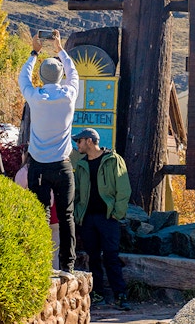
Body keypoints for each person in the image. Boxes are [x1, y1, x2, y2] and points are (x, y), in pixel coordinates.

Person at [18, 29, 79, 278]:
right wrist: (60, 48)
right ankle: (67, 267)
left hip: (39, 166)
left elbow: (23, 77)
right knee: (66, 217)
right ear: (61, 77)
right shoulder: (69, 95)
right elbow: (74, 72)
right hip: (62, 166)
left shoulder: (35, 96)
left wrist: (34, 52)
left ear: (41, 78)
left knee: (39, 215)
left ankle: (39, 263)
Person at [73, 127, 132, 311]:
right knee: (93, 258)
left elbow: (123, 189)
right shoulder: (81, 164)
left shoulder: (113, 160)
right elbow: (76, 192)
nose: (77, 145)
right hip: (88, 219)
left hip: (108, 219)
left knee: (111, 257)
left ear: (89, 141)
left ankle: (120, 295)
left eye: (79, 141)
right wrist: (77, 214)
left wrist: (116, 213)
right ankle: (97, 293)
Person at [15, 145, 60, 269]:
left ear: (25, 154)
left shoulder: (23, 173)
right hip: (54, 214)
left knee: (34, 252)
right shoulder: (50, 169)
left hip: (32, 216)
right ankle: (54, 278)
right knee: (53, 252)